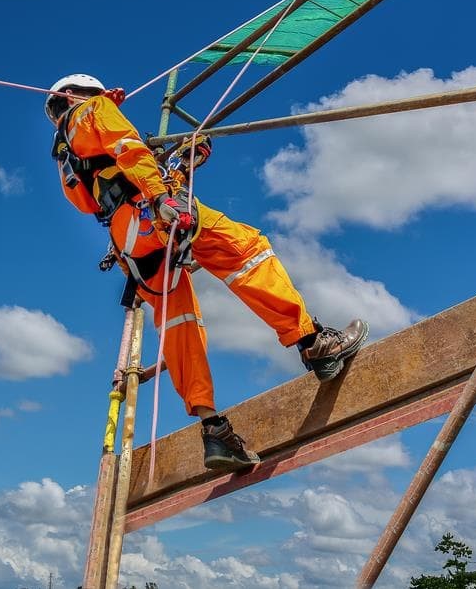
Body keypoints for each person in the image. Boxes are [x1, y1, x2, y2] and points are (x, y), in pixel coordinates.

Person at [46, 73, 368, 471]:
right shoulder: (94, 110)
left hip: (129, 240)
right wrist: (165, 196)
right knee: (246, 251)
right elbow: (129, 150)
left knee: (179, 323)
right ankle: (313, 342)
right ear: (78, 95)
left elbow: (115, 189)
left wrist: (181, 166)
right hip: (152, 215)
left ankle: (213, 429)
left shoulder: (66, 156)